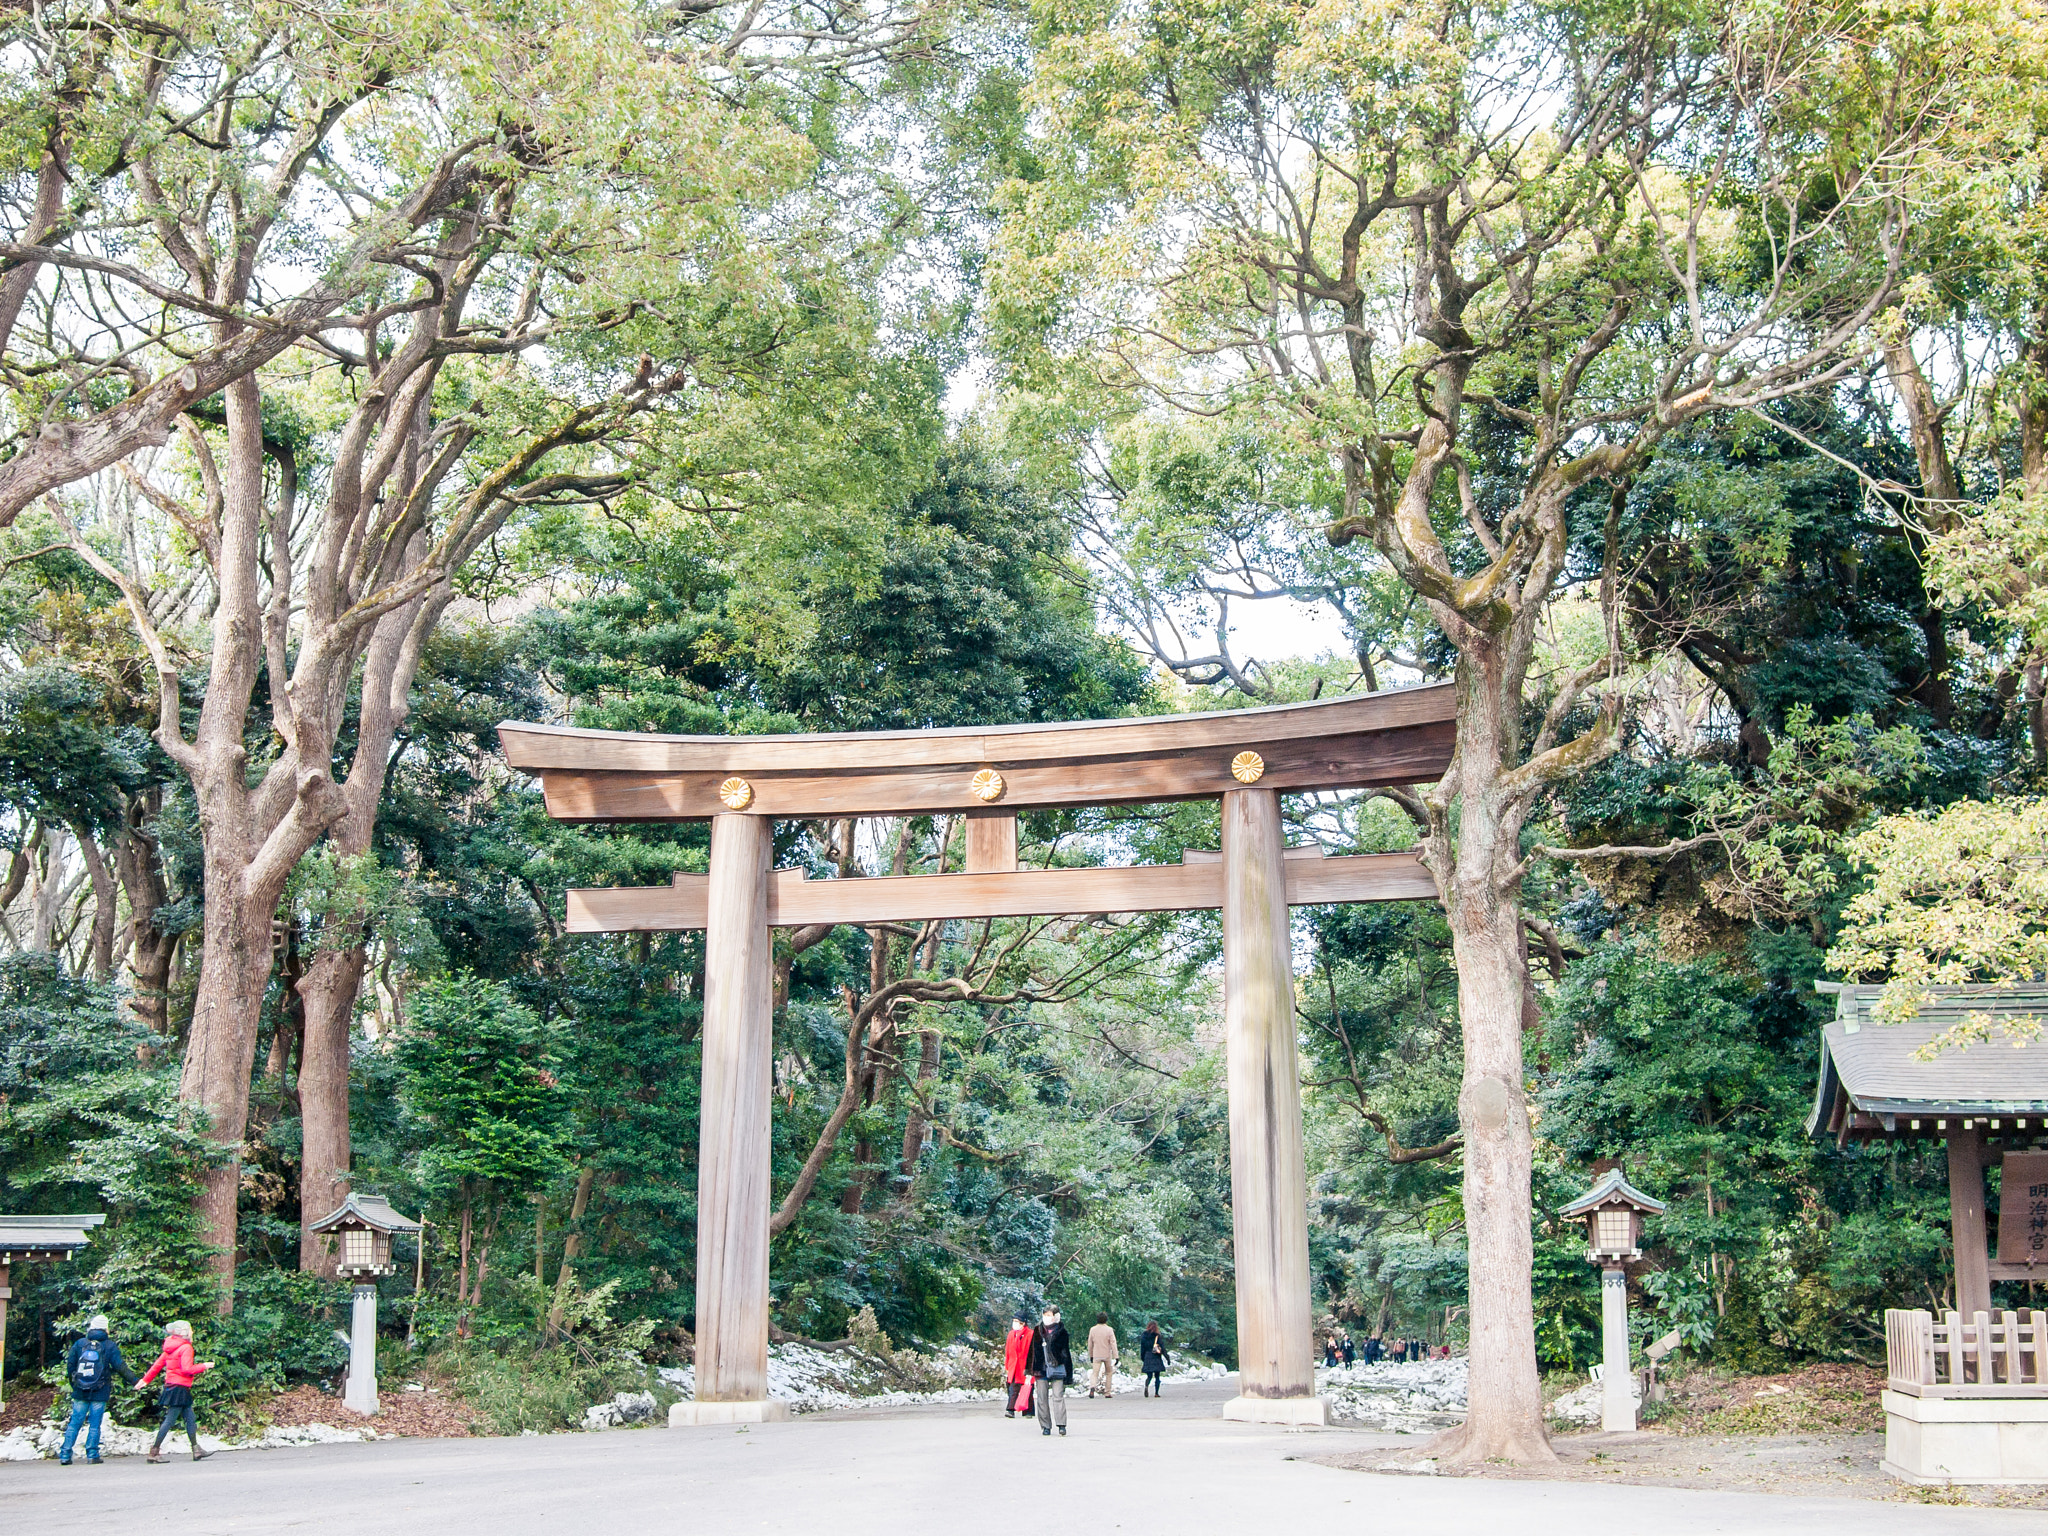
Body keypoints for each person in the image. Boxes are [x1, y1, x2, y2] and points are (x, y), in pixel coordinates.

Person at [59, 1314, 139, 1465]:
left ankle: (65, 1454)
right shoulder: (109, 1345)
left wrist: (75, 1384)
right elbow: (119, 1366)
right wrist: (134, 1380)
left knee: (75, 1422)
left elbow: (70, 1367)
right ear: (106, 1328)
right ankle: (92, 1454)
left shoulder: (79, 1343)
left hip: (80, 1389)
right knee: (94, 1423)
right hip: (100, 1390)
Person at [139, 1320, 215, 1463]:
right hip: (180, 1387)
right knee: (170, 1420)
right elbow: (187, 1369)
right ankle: (154, 1452)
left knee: (190, 1418)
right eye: (190, 1330)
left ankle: (196, 1449)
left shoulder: (171, 1347)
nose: (192, 1332)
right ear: (184, 1332)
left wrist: (145, 1380)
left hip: (172, 1386)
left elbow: (158, 1365)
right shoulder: (186, 1348)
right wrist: (204, 1366)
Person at [1026, 1305, 1073, 1436]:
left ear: (1056, 1316)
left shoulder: (1062, 1332)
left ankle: (1061, 1425)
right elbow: (1032, 1351)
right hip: (1040, 1369)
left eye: (1050, 1315)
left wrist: (1068, 1373)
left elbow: (1066, 1353)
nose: (1047, 1317)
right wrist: (1029, 1369)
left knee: (1058, 1397)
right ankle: (1045, 1426)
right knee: (1042, 1398)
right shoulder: (1037, 1330)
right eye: (1045, 1315)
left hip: (1057, 1369)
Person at [1003, 1310, 1034, 1418]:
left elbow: (1033, 1352)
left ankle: (1028, 1411)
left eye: (1017, 1321)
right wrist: (1007, 1365)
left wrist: (1031, 1368)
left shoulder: (1030, 1334)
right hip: (1013, 1367)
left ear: (1023, 1323)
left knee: (1027, 1389)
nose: (1014, 1323)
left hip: (1025, 1366)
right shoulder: (1011, 1334)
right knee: (1013, 1389)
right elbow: (1008, 1351)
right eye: (1014, 1321)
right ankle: (1010, 1409)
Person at [1086, 1313, 1118, 1398]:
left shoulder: (1093, 1329)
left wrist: (1091, 1355)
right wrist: (1116, 1356)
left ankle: (1092, 1387)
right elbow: (1113, 1343)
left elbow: (1090, 1343)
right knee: (1109, 1373)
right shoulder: (1109, 1330)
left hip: (1096, 1354)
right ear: (1106, 1320)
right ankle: (1107, 1392)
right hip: (1107, 1354)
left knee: (1095, 1373)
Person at [1139, 1321, 1169, 1396]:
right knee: (1157, 1376)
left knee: (1149, 1376)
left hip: (1147, 1356)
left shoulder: (1144, 1335)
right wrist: (1167, 1358)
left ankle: (1146, 1386)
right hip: (1156, 1357)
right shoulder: (1157, 1336)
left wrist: (1142, 1357)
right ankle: (1156, 1393)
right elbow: (1162, 1347)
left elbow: (1142, 1348)